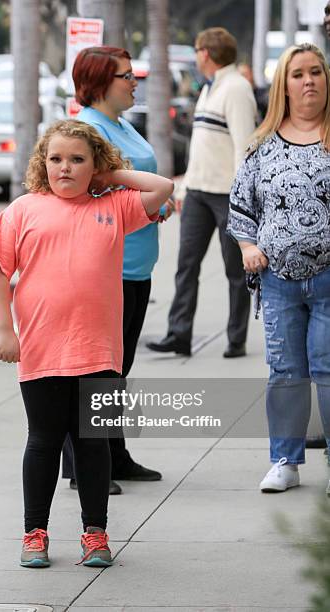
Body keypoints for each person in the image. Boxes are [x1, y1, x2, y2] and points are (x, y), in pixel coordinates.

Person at [0, 119, 174, 567]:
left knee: (93, 441)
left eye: (77, 160)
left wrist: (112, 176)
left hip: (98, 349)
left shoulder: (113, 207)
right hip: (42, 348)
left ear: (95, 166)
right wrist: (5, 330)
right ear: (42, 164)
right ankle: (35, 533)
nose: (64, 168)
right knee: (44, 441)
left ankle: (95, 533)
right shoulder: (23, 210)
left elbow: (162, 187)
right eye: (55, 159)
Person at [62, 46, 173, 496]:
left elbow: (126, 185)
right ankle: (86, 466)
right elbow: (84, 192)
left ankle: (115, 454)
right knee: (95, 369)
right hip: (105, 268)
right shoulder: (87, 129)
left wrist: (156, 204)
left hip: (136, 265)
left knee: (118, 368)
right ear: (99, 82)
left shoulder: (121, 124)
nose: (134, 83)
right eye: (126, 76)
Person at [228, 43, 330, 494]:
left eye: (315, 72)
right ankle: (285, 460)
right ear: (283, 86)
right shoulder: (261, 145)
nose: (308, 81)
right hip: (278, 280)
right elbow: (240, 207)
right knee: (286, 371)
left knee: (328, 369)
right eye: (298, 74)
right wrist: (249, 246)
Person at [147, 27, 256, 359]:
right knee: (186, 265)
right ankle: (179, 333)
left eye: (197, 51)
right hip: (197, 192)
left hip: (227, 196)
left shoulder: (236, 89)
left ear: (206, 53)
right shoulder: (211, 88)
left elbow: (244, 148)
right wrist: (184, 187)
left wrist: (243, 200)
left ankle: (236, 338)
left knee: (235, 271)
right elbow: (204, 146)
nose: (196, 57)